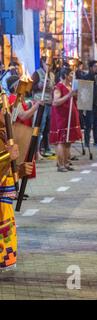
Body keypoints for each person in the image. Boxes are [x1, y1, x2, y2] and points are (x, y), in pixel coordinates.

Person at [0, 89, 34, 272]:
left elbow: (5, 175)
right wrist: (6, 156)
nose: (7, 113)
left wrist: (19, 172)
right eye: (4, 109)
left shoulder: (5, 135)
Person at [49, 68, 82, 172]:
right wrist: (69, 95)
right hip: (61, 118)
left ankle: (67, 163)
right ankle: (60, 164)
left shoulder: (70, 86)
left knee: (68, 141)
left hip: (70, 117)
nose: (73, 76)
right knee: (61, 141)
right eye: (71, 74)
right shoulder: (59, 87)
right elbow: (55, 102)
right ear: (66, 75)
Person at [32, 57, 55, 158]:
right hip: (40, 103)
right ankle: (36, 151)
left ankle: (47, 148)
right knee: (40, 127)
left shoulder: (52, 75)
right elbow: (31, 87)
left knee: (47, 128)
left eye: (50, 65)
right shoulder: (37, 73)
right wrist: (39, 86)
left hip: (49, 103)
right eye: (47, 64)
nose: (49, 66)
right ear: (43, 63)